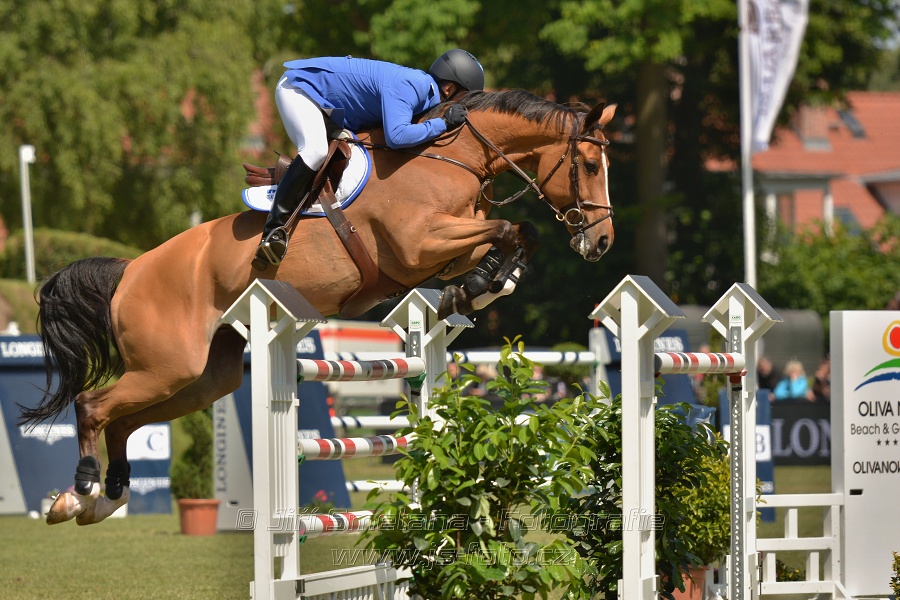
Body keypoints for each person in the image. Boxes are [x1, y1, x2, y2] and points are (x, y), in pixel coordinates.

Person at [252, 49, 485, 270]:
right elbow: (397, 136)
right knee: (315, 151)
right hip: (300, 90)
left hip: (329, 109)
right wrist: (443, 123)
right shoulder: (414, 85)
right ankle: (273, 231)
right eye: (464, 98)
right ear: (449, 88)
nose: (463, 106)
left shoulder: (424, 95)